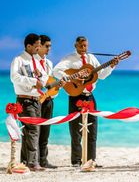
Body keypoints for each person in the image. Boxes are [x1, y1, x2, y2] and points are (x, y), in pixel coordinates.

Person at [52, 36, 119, 167]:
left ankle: (90, 160)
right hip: (76, 95)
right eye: (81, 46)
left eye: (86, 46)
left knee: (92, 129)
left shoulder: (91, 59)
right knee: (75, 129)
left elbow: (102, 75)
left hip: (90, 96)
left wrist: (111, 66)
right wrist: (73, 78)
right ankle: (76, 161)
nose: (84, 48)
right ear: (75, 46)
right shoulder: (69, 59)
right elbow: (56, 71)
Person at [10, 33, 48, 171]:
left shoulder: (36, 61)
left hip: (36, 99)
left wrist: (40, 79)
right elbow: (14, 77)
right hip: (24, 99)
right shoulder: (19, 59)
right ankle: (32, 162)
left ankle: (25, 161)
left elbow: (44, 77)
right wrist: (33, 81)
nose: (39, 48)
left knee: (30, 131)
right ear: (29, 46)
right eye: (37, 46)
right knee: (33, 130)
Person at [35, 35, 61, 169]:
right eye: (47, 46)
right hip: (37, 100)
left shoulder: (49, 63)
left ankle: (43, 160)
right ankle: (33, 161)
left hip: (49, 100)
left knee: (46, 131)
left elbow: (50, 83)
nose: (49, 49)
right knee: (34, 131)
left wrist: (58, 85)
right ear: (39, 46)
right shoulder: (32, 61)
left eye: (50, 46)